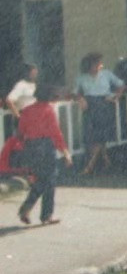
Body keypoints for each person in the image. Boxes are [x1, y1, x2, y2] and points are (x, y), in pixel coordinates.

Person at [1, 82, 72, 225]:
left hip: (31, 147)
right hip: (45, 146)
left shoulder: (26, 110)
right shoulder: (48, 110)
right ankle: (45, 215)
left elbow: (21, 131)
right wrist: (65, 152)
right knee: (50, 180)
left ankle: (26, 209)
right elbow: (55, 133)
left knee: (40, 179)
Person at [75, 53, 125, 176]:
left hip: (104, 104)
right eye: (97, 64)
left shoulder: (107, 74)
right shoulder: (81, 78)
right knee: (91, 135)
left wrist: (115, 96)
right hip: (90, 105)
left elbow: (121, 85)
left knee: (100, 135)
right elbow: (76, 92)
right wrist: (81, 99)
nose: (100, 66)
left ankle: (89, 166)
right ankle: (106, 161)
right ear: (89, 65)